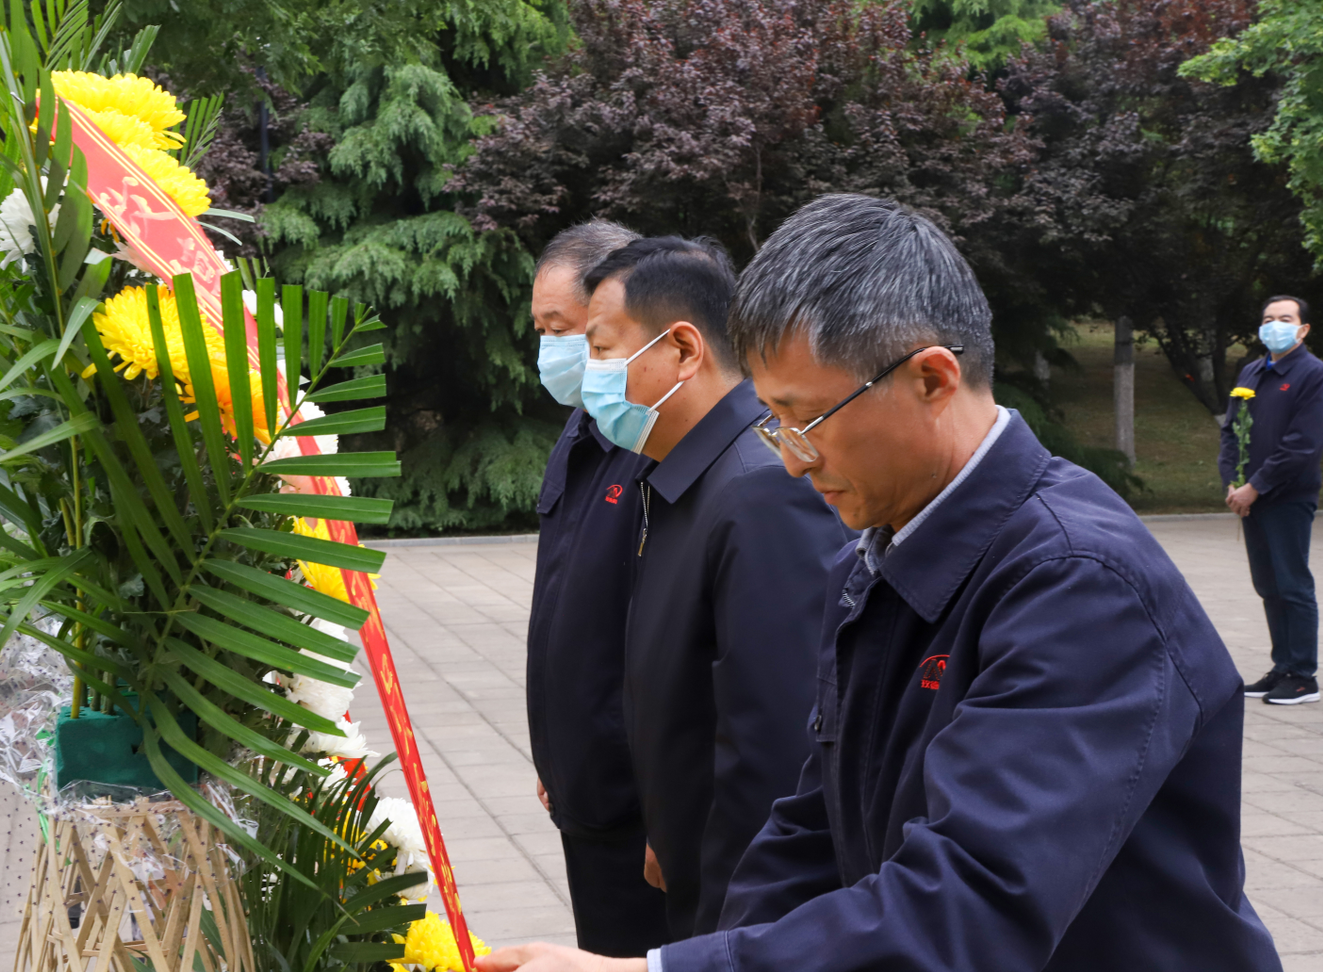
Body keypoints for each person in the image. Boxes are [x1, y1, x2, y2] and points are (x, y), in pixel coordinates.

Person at [479, 195, 1281, 972]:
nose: (792, 459)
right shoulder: (876, 552)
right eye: (773, 419)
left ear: (931, 379)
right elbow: (812, 826)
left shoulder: (1075, 584)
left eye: (805, 419)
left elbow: (968, 903)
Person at [579, 236, 851, 941]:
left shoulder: (760, 489)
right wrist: (668, 826)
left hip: (748, 906)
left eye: (602, 349)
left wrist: (740, 924)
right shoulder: (686, 475)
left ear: (682, 349)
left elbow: (781, 744)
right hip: (700, 871)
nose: (589, 374)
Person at [525, 220, 673, 956]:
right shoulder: (586, 426)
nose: (549, 348)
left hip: (638, 808)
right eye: (541, 330)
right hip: (582, 790)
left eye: (563, 329)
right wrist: (555, 753)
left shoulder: (656, 441)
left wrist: (669, 814)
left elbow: (674, 644)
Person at [1221, 295, 1323, 706]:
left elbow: (1303, 443)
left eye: (1284, 318)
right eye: (1267, 319)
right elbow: (1231, 432)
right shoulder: (1252, 371)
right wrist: (1233, 483)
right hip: (1250, 496)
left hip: (1287, 495)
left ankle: (1302, 676)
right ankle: (1282, 666)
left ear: (1303, 329)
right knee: (1268, 585)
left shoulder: (1313, 374)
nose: (1274, 325)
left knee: (1292, 584)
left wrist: (1257, 485)